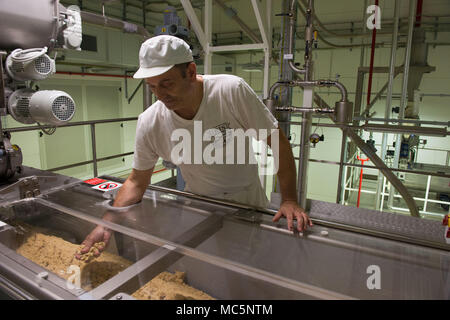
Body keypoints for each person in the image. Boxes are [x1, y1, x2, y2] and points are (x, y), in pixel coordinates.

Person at [76, 35, 312, 259]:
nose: (160, 95)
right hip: (198, 203)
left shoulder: (229, 91)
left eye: (167, 83)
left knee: (251, 262)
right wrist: (106, 222)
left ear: (190, 72)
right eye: (152, 87)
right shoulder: (151, 122)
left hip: (246, 199)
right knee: (205, 266)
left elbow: (277, 141)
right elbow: (137, 181)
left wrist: (289, 199)